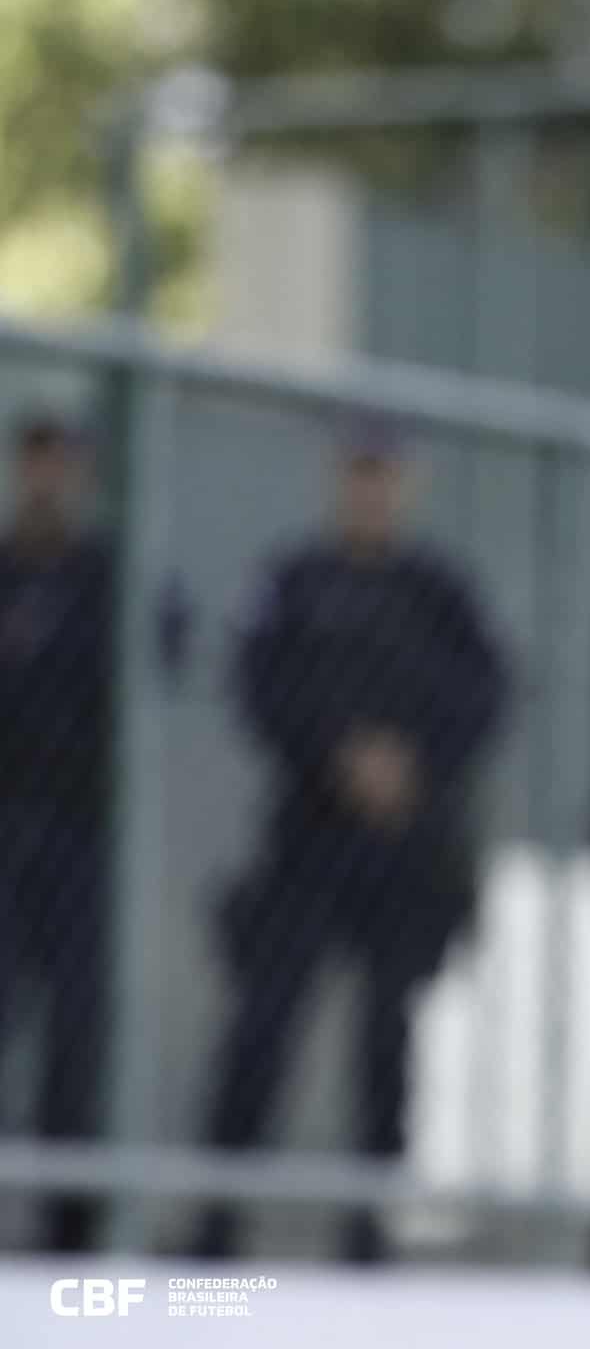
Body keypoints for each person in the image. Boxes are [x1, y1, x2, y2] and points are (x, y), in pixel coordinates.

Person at [186, 417, 504, 1263]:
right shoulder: (295, 579)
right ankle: (217, 1218)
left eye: (384, 474)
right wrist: (339, 753)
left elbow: (483, 698)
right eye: (358, 474)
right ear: (339, 482)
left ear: (406, 485)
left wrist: (412, 763)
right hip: (305, 842)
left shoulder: (439, 592)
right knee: (263, 1025)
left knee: (387, 1038)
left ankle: (367, 1226)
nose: (370, 490)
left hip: (405, 852)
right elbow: (258, 686)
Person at [0, 410, 187, 1254]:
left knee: (78, 1033)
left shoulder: (111, 571)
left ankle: (67, 1228)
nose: (48, 475)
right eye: (35, 457)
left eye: (63, 458)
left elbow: (170, 641)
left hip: (82, 833)